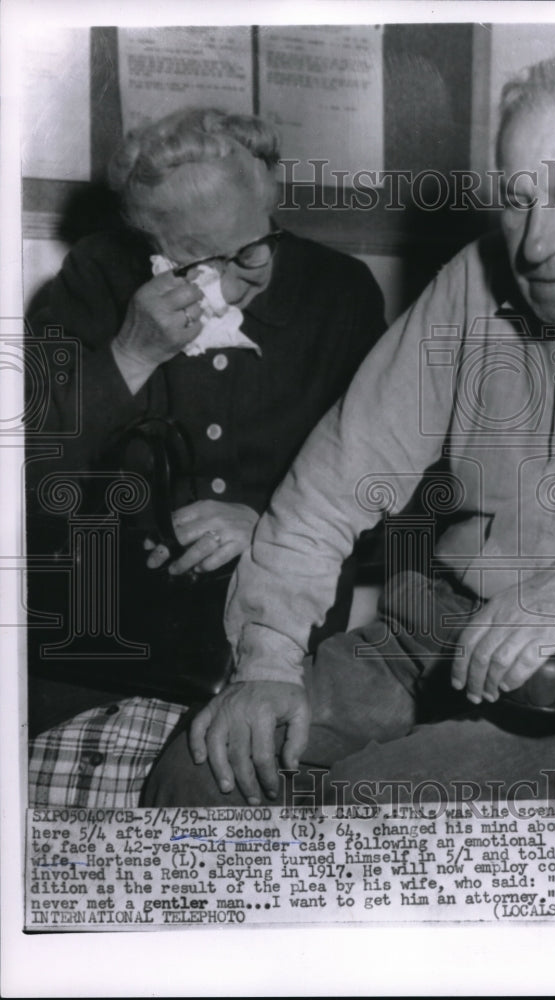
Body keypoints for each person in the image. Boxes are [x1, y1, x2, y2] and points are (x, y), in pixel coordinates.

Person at [144, 56, 555, 807]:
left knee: (358, 814)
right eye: (517, 201)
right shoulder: (473, 278)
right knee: (198, 776)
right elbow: (332, 486)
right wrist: (265, 663)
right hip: (424, 642)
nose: (531, 245)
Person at [26, 108, 386, 804]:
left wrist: (270, 528)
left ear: (271, 198)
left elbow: (399, 495)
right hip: (92, 667)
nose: (239, 281)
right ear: (147, 240)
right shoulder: (96, 278)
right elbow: (26, 474)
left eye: (253, 247)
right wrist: (129, 355)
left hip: (266, 664)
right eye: (197, 258)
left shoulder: (339, 294)